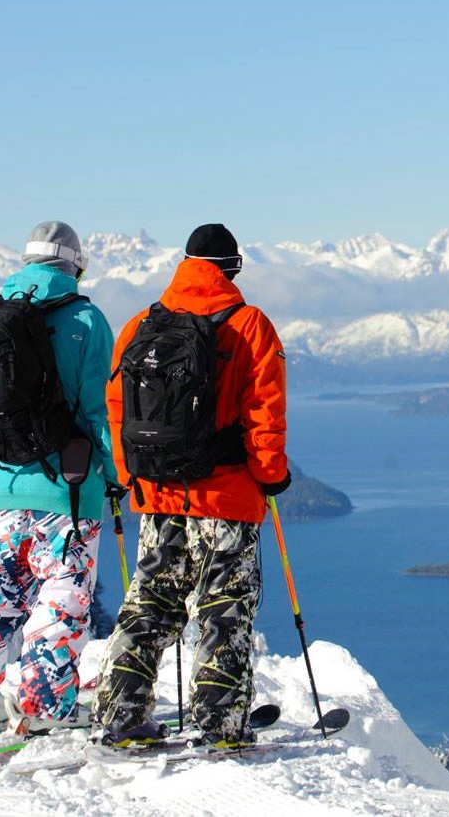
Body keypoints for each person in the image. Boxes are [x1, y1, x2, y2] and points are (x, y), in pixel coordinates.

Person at [91, 223, 291, 749]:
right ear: (234, 267)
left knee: (151, 602)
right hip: (225, 496)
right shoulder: (249, 326)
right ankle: (220, 725)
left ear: (183, 263)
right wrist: (272, 475)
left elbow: (116, 414)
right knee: (224, 608)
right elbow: (264, 415)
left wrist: (134, 478)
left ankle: (120, 714)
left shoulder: (139, 326)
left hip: (159, 495)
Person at [0, 220, 120, 736]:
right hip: (68, 488)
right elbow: (98, 410)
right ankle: (42, 706)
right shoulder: (85, 319)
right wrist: (114, 476)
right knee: (61, 602)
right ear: (75, 265)